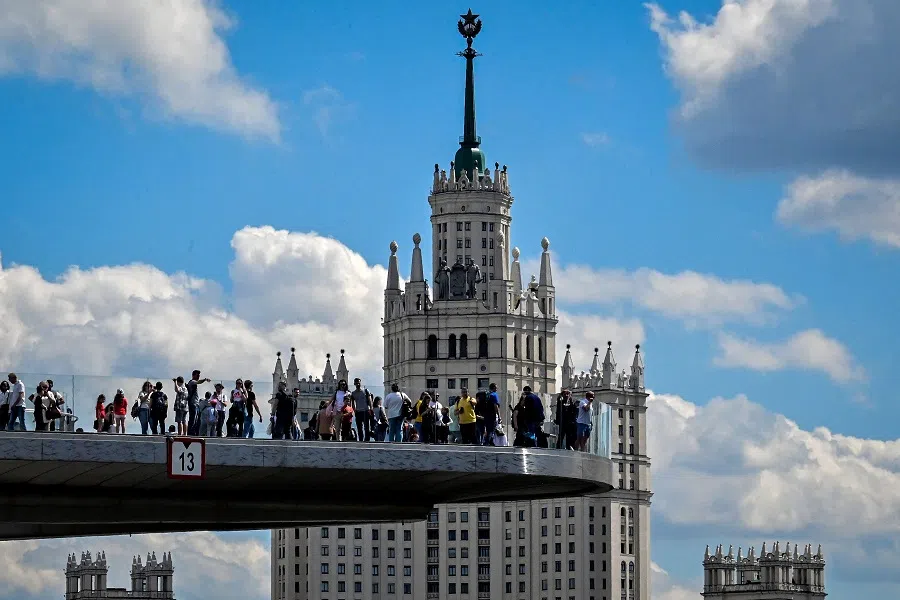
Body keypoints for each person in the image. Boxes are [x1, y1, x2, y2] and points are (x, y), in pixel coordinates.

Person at [186, 370, 211, 436]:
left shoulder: (194, 383)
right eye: (197, 375)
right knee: (192, 419)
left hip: (196, 403)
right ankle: (190, 433)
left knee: (195, 419)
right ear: (193, 375)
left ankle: (193, 432)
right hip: (193, 403)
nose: (198, 377)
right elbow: (199, 382)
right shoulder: (192, 382)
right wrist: (205, 379)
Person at [350, 378, 372, 443]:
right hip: (358, 411)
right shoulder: (353, 393)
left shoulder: (365, 391)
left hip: (365, 411)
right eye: (356, 383)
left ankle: (367, 440)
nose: (358, 384)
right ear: (354, 384)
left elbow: (370, 399)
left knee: (366, 427)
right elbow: (352, 402)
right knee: (359, 428)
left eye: (359, 382)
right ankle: (361, 440)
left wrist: (371, 408)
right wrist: (354, 410)